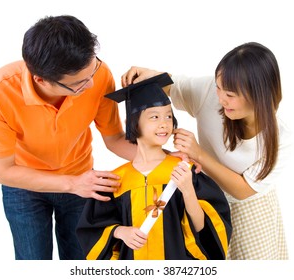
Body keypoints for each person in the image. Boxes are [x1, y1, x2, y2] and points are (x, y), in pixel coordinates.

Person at [0, 15, 137, 260]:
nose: (91, 84)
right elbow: (3, 171)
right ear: (40, 79)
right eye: (78, 83)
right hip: (24, 185)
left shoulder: (98, 75)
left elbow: (114, 138)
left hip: (80, 177)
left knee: (82, 260)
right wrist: (73, 184)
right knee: (33, 262)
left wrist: (167, 159)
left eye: (92, 71)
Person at [121, 42, 292, 260]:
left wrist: (198, 153)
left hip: (250, 211)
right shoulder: (210, 92)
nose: (220, 98)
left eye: (230, 94)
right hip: (206, 201)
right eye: (218, 87)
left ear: (257, 94)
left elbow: (243, 190)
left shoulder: (281, 137)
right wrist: (151, 76)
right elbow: (174, 86)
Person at [77, 73, 232, 260]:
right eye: (154, 117)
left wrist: (188, 191)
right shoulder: (117, 181)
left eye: (168, 116)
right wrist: (119, 232)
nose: (164, 123)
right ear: (132, 123)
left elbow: (205, 232)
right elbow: (92, 232)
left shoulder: (184, 171)